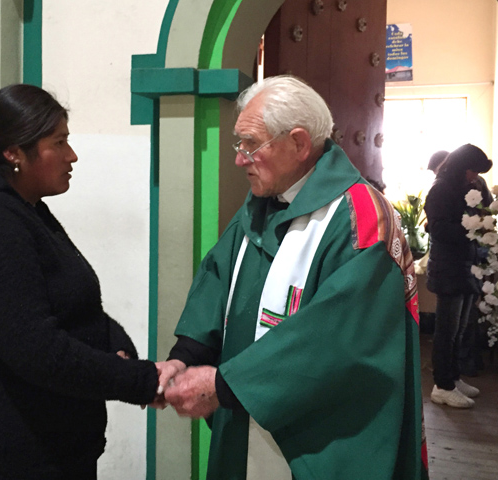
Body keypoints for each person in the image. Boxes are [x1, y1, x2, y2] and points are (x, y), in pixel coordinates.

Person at [154, 75, 426, 479]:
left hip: (324, 439)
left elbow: (335, 340)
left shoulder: (362, 220)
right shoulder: (265, 200)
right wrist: (184, 358)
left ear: (299, 144)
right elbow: (219, 279)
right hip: (246, 418)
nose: (239, 159)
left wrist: (224, 386)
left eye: (251, 144)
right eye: (239, 143)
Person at [0, 84, 160, 480]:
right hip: (14, 456)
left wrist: (114, 344)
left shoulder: (23, 207)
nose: (72, 155)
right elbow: (36, 349)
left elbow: (72, 301)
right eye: (59, 142)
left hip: (52, 445)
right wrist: (141, 381)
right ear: (13, 152)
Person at [424, 144, 492, 409]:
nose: (474, 176)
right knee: (447, 331)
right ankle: (442, 385)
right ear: (460, 167)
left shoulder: (466, 187)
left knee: (460, 329)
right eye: (472, 171)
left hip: (465, 265)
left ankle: (453, 377)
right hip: (448, 267)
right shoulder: (441, 190)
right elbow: (438, 229)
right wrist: (471, 230)